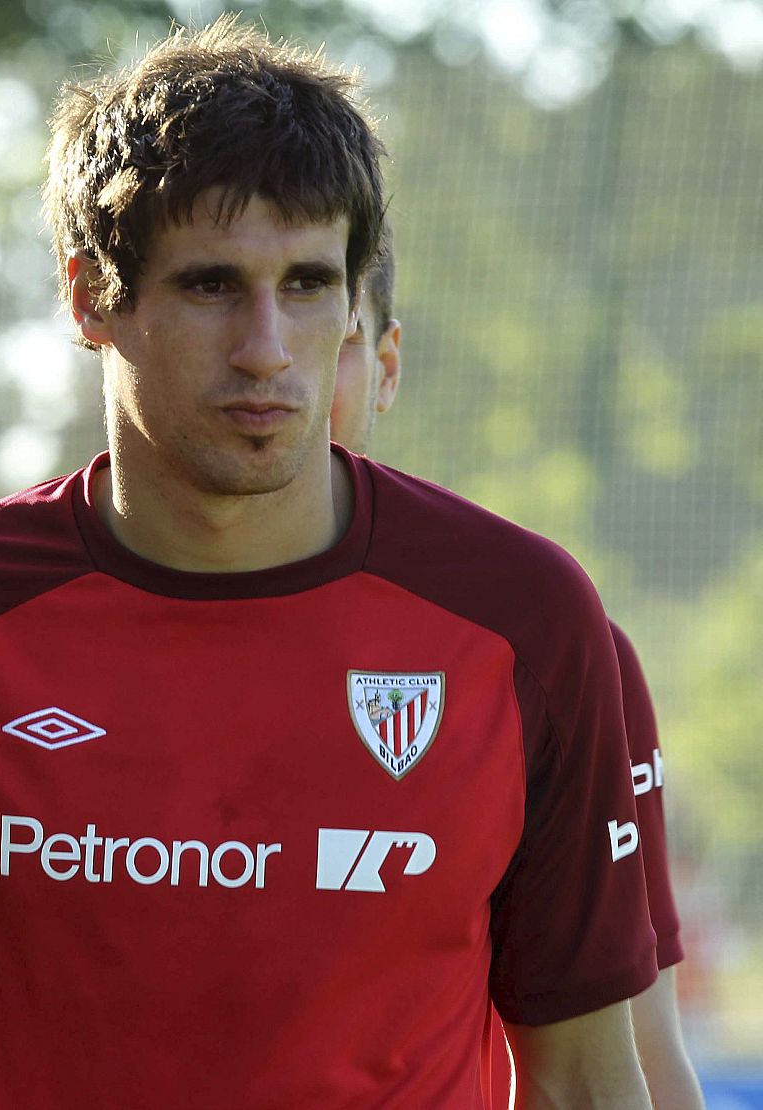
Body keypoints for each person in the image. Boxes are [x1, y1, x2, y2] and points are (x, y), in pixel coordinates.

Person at [0, 17, 658, 1108]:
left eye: (306, 284)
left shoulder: (520, 619)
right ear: (88, 297)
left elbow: (586, 1080)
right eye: (210, 286)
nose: (267, 348)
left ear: (355, 298)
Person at [331, 225, 706, 1109]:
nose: (285, 362)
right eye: (216, 292)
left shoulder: (551, 647)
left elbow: (640, 1056)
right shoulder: (7, 630)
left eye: (338, 336)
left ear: (389, 365)